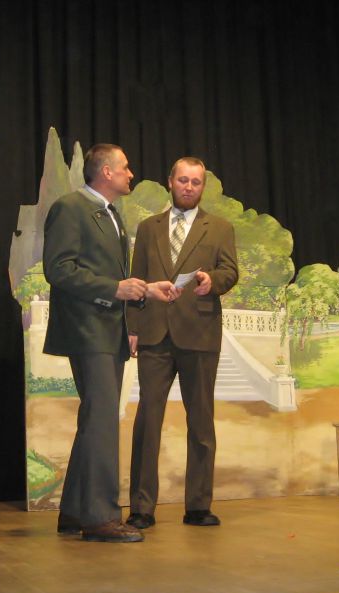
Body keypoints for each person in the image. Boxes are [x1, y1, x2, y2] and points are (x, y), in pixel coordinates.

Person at [42, 143, 177, 543]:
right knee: (101, 421)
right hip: (87, 330)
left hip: (107, 330)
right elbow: (58, 269)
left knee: (95, 420)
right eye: (125, 167)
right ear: (105, 172)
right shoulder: (71, 208)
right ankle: (100, 517)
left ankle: (74, 511)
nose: (130, 174)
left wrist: (145, 289)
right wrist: (113, 289)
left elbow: (112, 279)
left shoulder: (111, 214)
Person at [125, 157, 239, 529]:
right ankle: (141, 507)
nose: (189, 187)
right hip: (155, 335)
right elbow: (137, 279)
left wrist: (212, 280)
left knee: (201, 423)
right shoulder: (148, 228)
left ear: (202, 186)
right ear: (170, 181)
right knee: (148, 422)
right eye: (183, 180)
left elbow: (230, 271)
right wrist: (132, 327)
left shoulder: (219, 228)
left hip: (199, 333)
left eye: (196, 182)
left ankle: (198, 506)